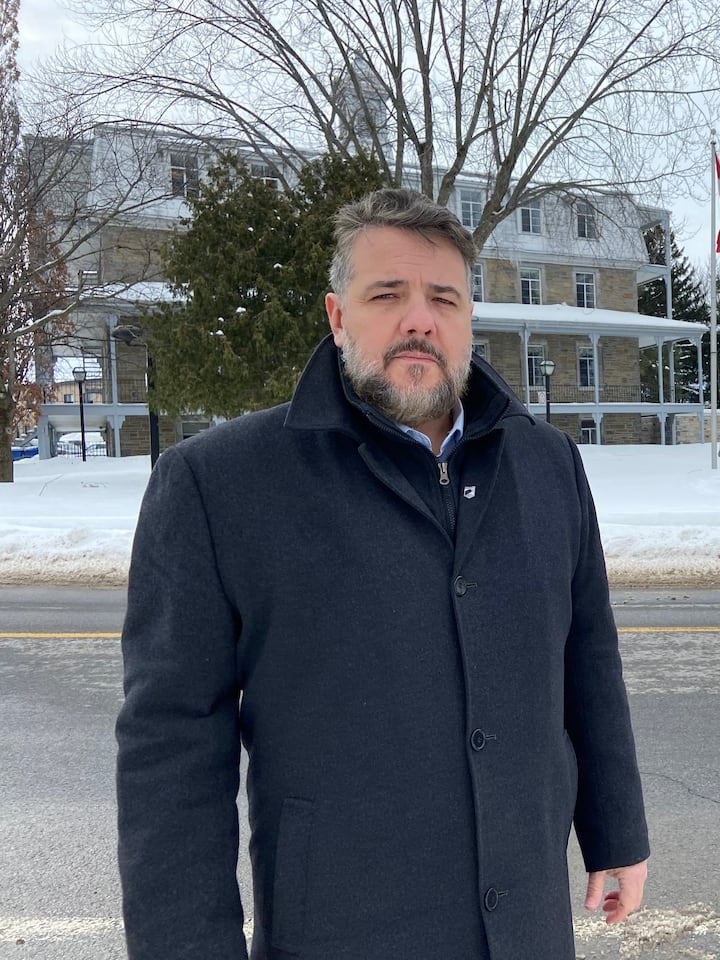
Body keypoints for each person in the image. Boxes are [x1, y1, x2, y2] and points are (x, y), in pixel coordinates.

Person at [115, 187, 650, 960]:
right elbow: (169, 745)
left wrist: (616, 831)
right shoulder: (220, 484)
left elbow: (587, 657)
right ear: (337, 317)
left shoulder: (547, 465)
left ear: (468, 318)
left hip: (525, 925)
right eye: (387, 295)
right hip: (338, 928)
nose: (419, 319)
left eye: (443, 298)